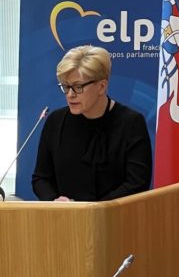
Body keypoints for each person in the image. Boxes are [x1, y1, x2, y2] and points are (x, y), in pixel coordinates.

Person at [32, 45, 153, 202]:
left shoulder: (131, 123)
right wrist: (54, 201)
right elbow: (41, 178)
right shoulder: (55, 121)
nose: (70, 94)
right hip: (64, 215)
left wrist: (93, 210)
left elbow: (137, 184)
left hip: (113, 215)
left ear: (101, 86)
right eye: (66, 86)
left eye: (78, 87)